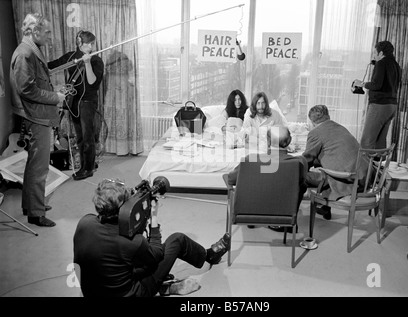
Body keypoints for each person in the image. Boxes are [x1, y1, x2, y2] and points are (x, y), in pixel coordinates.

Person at [73, 178, 231, 297]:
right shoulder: (132, 242)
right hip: (132, 294)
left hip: (93, 293)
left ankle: (165, 285)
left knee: (128, 263)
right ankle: (209, 256)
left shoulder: (84, 223)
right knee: (177, 240)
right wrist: (153, 219)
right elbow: (156, 254)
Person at [9, 13, 66, 227]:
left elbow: (34, 85)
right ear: (34, 31)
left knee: (35, 164)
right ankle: (35, 213)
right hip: (36, 116)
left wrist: (54, 91)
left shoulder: (30, 50)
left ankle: (31, 204)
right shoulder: (25, 53)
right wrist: (55, 97)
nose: (50, 36)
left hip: (37, 114)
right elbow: (27, 90)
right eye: (47, 32)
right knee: (39, 167)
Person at [228, 125, 307, 232]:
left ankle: (252, 219)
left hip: (248, 214)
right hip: (284, 216)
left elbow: (231, 180)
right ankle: (286, 224)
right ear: (289, 141)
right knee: (302, 185)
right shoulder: (299, 163)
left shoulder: (250, 160)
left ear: (268, 141)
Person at [48, 30, 104, 181]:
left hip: (87, 102)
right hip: (73, 101)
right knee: (79, 136)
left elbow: (92, 82)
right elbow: (53, 65)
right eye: (88, 44)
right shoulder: (70, 57)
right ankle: (88, 163)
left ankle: (88, 168)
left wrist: (87, 63)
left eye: (93, 43)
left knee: (88, 136)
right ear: (80, 43)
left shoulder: (96, 60)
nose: (92, 47)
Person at [301, 105, 368, 220]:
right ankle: (324, 206)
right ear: (328, 116)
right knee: (322, 165)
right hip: (364, 176)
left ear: (311, 121)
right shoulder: (340, 128)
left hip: (347, 180)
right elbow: (332, 154)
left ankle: (288, 214)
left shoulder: (315, 133)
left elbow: (307, 159)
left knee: (300, 175)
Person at [353, 40, 402, 149]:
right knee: (380, 142)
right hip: (391, 106)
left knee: (367, 141)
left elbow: (376, 85)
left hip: (379, 106)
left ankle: (363, 166)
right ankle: (378, 166)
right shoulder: (396, 66)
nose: (374, 56)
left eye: (375, 53)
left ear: (381, 53)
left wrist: (362, 84)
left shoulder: (381, 63)